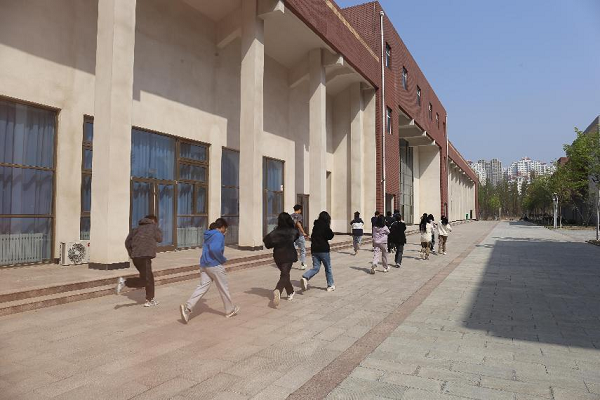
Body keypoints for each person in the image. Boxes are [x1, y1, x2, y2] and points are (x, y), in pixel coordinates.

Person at [179, 218, 240, 323]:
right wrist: (222, 259)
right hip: (214, 265)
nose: (225, 231)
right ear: (222, 227)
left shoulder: (209, 234)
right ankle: (230, 310)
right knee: (223, 287)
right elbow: (215, 249)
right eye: (225, 228)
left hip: (204, 265)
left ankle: (187, 308)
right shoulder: (218, 235)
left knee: (202, 287)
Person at [117, 215, 163, 307]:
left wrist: (132, 253)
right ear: (153, 221)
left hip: (136, 258)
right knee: (148, 280)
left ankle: (149, 299)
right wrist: (158, 229)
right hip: (145, 257)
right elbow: (160, 239)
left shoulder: (136, 229)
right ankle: (125, 282)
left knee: (146, 279)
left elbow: (127, 242)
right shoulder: (153, 227)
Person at [263, 212, 299, 307]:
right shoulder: (292, 231)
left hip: (278, 256)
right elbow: (296, 236)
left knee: (284, 274)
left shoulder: (275, 232)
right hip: (289, 255)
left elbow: (267, 242)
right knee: (285, 274)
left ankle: (290, 292)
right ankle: (278, 289)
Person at [301, 211, 335, 292]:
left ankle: (305, 277)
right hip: (323, 250)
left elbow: (313, 237)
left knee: (316, 267)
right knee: (328, 268)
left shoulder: (315, 226)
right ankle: (330, 285)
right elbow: (330, 236)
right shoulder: (325, 226)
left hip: (315, 250)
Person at [291, 204, 308, 270]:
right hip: (299, 235)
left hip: (292, 235)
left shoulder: (290, 216)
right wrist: (303, 232)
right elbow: (298, 223)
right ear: (299, 210)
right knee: (302, 250)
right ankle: (303, 264)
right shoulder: (299, 216)